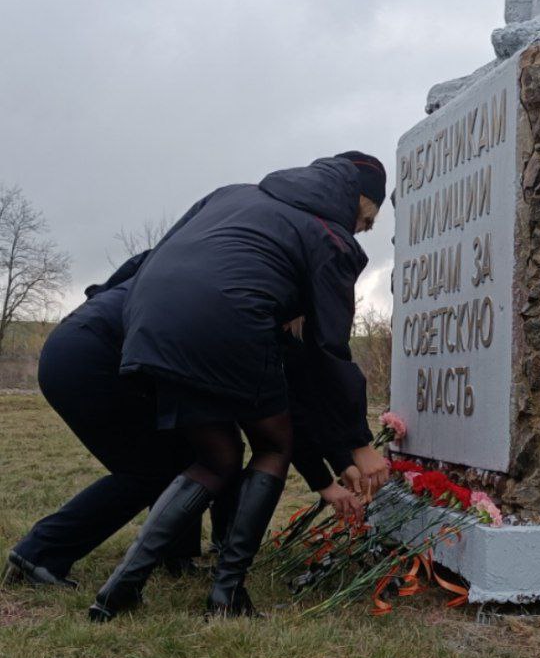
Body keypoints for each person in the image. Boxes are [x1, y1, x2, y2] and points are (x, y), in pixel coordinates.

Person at [88, 152, 390, 622]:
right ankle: (226, 594)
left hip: (151, 318)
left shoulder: (232, 194)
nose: (360, 232)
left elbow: (160, 249)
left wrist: (105, 292)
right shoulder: (330, 237)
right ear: (358, 204)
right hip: (230, 320)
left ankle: (119, 589)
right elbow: (326, 351)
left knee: (218, 456)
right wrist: (356, 444)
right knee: (273, 444)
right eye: (365, 222)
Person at [5, 254, 367, 590]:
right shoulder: (253, 305)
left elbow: (284, 408)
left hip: (89, 343)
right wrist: (325, 481)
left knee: (192, 453)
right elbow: (279, 424)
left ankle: (176, 555)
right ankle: (41, 552)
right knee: (149, 470)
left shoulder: (212, 262)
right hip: (96, 356)